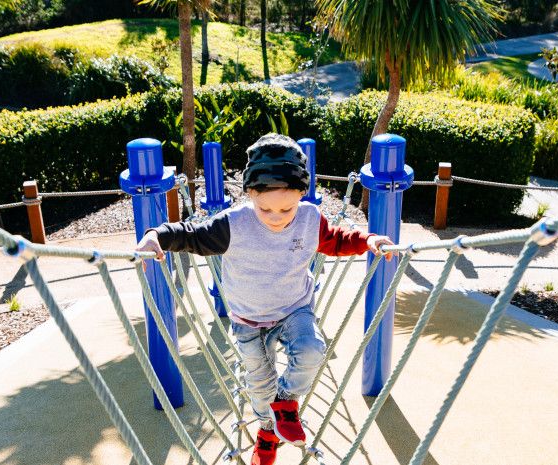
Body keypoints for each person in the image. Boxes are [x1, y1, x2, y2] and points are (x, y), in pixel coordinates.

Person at [136, 133, 394, 465]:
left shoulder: (309, 219)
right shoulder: (233, 225)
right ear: (251, 195)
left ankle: (285, 403)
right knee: (258, 388)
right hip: (247, 321)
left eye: (286, 207)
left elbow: (337, 240)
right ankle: (268, 430)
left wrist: (368, 239)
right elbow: (191, 234)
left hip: (294, 310)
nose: (275, 216)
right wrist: (155, 235)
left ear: (302, 194)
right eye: (264, 207)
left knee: (312, 351)